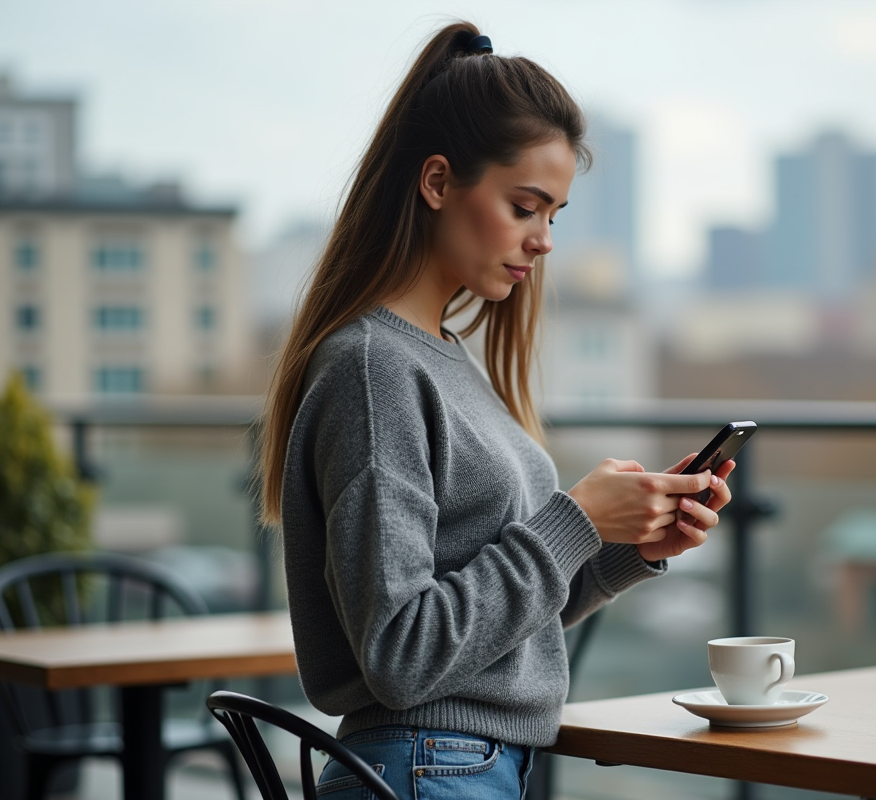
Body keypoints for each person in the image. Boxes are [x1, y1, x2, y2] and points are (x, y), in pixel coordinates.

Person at [257, 21, 736, 800]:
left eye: (555, 215)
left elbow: (490, 626)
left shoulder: (440, 356)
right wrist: (574, 517)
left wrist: (631, 549)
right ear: (439, 182)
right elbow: (403, 654)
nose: (543, 241)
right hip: (424, 769)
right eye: (525, 207)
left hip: (458, 767)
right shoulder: (377, 369)